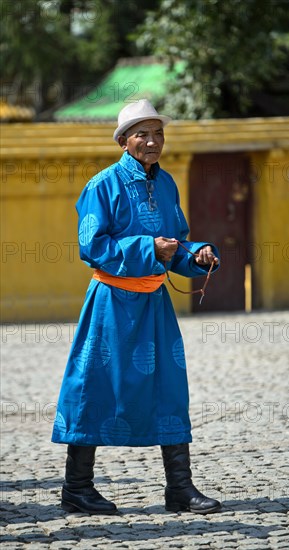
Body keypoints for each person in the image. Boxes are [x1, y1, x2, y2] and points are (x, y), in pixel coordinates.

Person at [52, 99, 221, 515]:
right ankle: (77, 488)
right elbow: (92, 248)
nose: (152, 141)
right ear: (124, 141)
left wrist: (196, 255)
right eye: (142, 133)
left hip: (154, 304)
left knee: (169, 387)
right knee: (95, 387)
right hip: (111, 303)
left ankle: (179, 489)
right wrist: (149, 247)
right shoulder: (101, 186)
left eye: (158, 132)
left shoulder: (166, 185)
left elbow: (177, 243)